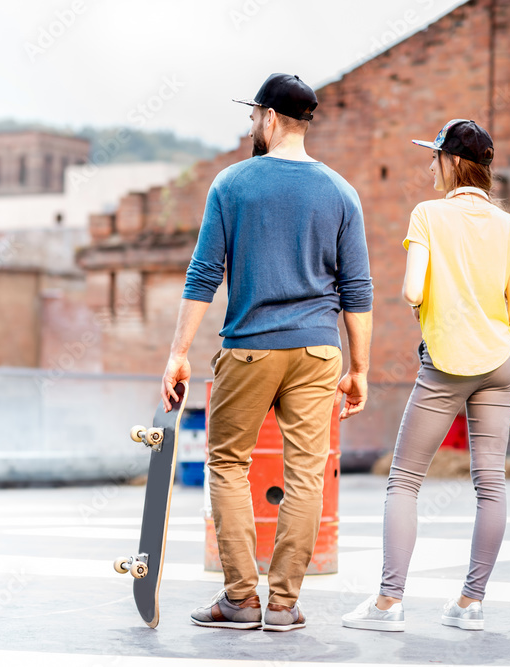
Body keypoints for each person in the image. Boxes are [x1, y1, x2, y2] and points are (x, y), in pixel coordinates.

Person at [159, 73, 374, 632]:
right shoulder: (342, 192)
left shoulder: (232, 184)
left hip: (251, 349)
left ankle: (239, 598)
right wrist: (361, 369)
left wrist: (178, 352)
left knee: (228, 463)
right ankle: (282, 606)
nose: (252, 125)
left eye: (254, 116)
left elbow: (204, 273)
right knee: (306, 476)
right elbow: (358, 291)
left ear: (270, 118)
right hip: (320, 351)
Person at [341, 119, 510, 633]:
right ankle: (471, 604)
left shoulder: (427, 214)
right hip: (498, 366)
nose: (430, 165)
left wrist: (430, 296)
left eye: (434, 157)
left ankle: (388, 604)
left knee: (404, 480)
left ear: (451, 162)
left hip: (446, 363)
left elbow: (409, 291)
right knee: (490, 486)